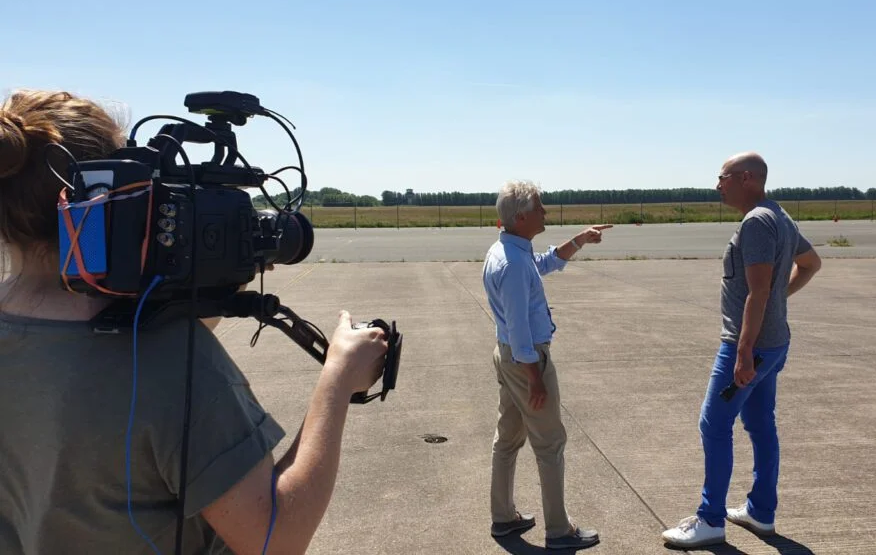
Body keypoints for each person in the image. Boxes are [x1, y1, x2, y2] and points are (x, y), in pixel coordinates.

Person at [0, 89, 388, 554]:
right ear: (108, 192)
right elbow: (275, 539)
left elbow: (90, 380)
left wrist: (217, 281)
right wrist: (340, 377)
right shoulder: (169, 363)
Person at [662, 152, 822, 549]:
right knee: (760, 424)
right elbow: (811, 263)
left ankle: (710, 519)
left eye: (723, 177)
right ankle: (761, 512)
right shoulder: (779, 216)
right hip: (775, 344)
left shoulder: (756, 222)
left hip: (750, 347)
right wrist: (777, 303)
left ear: (746, 178)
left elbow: (758, 290)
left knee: (713, 425)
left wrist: (745, 350)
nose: (718, 184)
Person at [482, 180, 610, 551]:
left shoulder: (508, 251)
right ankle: (559, 530)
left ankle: (503, 517)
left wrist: (579, 241)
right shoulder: (514, 264)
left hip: (509, 356)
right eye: (539, 207)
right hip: (526, 359)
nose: (545, 212)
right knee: (550, 443)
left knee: (507, 440)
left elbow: (544, 263)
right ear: (521, 216)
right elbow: (521, 330)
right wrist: (535, 377)